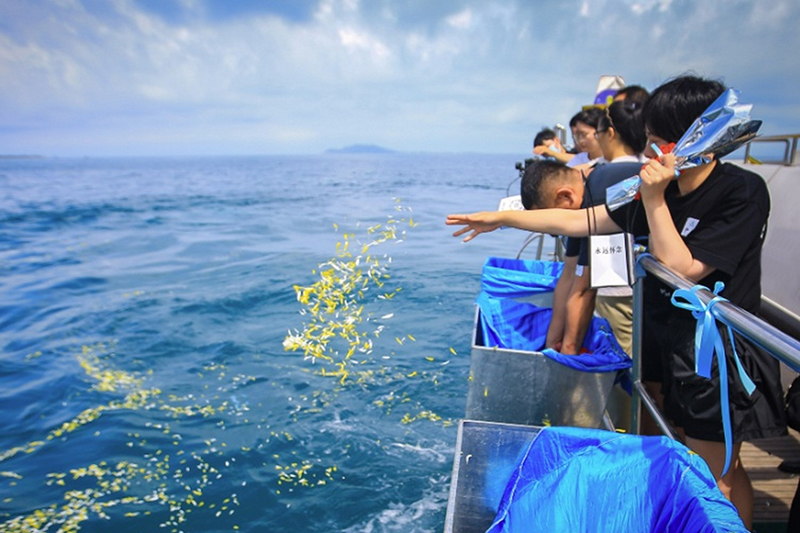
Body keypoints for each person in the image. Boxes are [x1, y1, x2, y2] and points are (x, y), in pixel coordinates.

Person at [447, 75, 786, 528]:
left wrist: (653, 198)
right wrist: (504, 218)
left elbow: (682, 269)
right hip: (668, 344)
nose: (648, 153)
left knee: (716, 475)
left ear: (693, 140)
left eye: (657, 142)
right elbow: (583, 220)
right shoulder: (663, 189)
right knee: (674, 448)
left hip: (716, 355)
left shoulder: (739, 192)